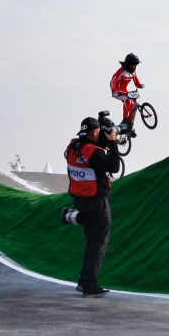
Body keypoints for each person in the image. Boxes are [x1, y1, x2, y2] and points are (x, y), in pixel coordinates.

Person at [60, 115, 121, 296]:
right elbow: (114, 166)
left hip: (79, 200)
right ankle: (89, 284)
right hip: (96, 202)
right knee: (98, 244)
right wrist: (113, 143)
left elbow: (91, 149)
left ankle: (83, 280)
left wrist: (103, 140)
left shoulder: (73, 147)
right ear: (96, 132)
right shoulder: (92, 152)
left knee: (92, 242)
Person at [109, 54, 143, 131]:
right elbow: (112, 82)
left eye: (135, 65)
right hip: (117, 91)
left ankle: (129, 126)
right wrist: (114, 90)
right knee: (127, 100)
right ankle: (125, 119)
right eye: (132, 65)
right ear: (128, 64)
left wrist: (140, 85)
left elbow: (136, 82)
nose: (133, 67)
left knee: (133, 104)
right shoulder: (121, 71)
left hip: (125, 90)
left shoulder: (133, 72)